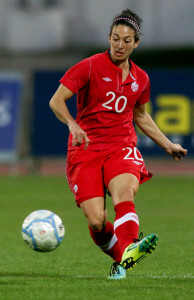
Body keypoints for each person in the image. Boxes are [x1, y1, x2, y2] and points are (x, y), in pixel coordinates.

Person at [49, 8, 187, 279]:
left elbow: (140, 116)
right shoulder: (89, 66)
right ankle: (122, 257)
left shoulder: (141, 79)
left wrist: (166, 144)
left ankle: (126, 256)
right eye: (115, 38)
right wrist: (73, 124)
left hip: (121, 147)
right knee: (97, 221)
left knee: (125, 195)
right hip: (85, 149)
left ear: (136, 43)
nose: (119, 45)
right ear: (108, 38)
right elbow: (56, 100)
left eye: (126, 40)